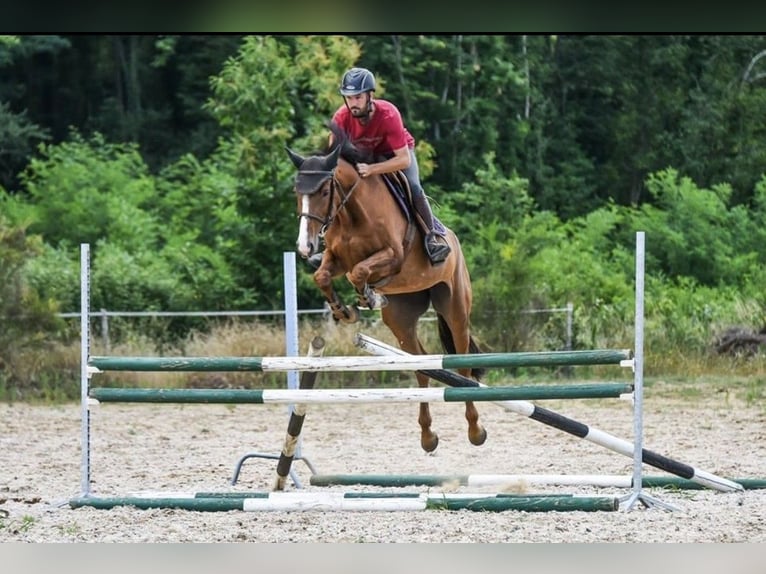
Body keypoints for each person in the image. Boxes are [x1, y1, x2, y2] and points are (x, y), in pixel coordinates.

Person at [309, 66, 451, 268]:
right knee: (335, 190)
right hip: (363, 155)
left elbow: (403, 160)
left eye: (358, 97)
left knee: (413, 186)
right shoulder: (341, 117)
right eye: (349, 98)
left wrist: (372, 169)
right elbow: (332, 157)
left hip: (395, 154)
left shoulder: (388, 114)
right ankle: (328, 246)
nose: (353, 103)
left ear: (369, 95)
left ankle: (432, 237)